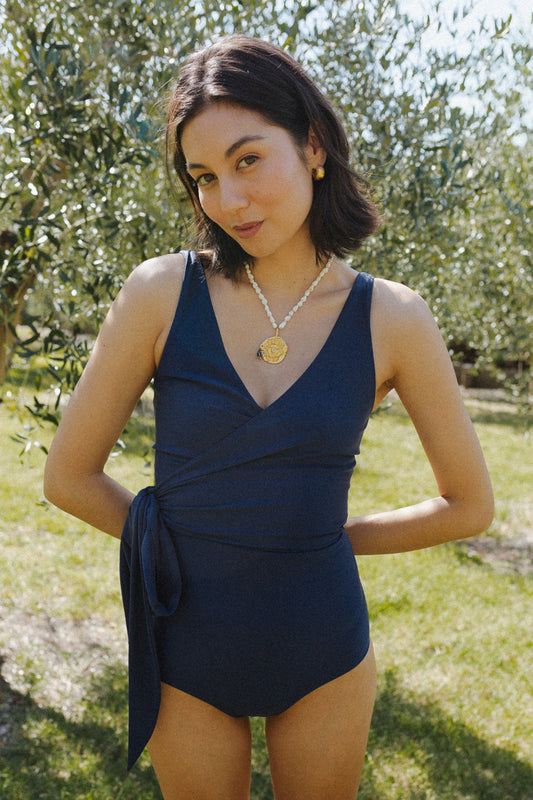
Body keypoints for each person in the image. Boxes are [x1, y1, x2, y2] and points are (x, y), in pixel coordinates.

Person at [43, 35, 494, 800]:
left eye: (248, 160)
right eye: (204, 177)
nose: (228, 200)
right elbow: (69, 478)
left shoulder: (392, 318)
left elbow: (469, 506)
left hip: (323, 648)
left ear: (313, 146)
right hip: (182, 646)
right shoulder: (159, 293)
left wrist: (318, 543)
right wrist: (172, 547)